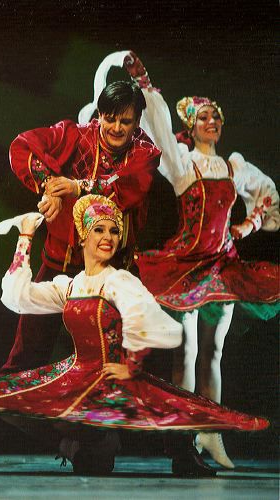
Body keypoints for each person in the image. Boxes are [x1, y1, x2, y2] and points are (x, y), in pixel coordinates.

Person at [0, 195, 269, 477]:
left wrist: (131, 366)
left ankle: (180, 455)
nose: (107, 237)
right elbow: (18, 296)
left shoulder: (121, 281)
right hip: (75, 378)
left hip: (112, 383)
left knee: (102, 459)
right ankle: (70, 446)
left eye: (113, 230)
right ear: (82, 236)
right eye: (99, 230)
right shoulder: (71, 284)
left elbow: (159, 326)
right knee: (8, 400)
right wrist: (25, 236)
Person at [0, 70, 162, 472]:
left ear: (137, 124)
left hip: (111, 278)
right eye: (110, 117)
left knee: (142, 362)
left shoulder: (145, 152)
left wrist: (76, 186)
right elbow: (22, 146)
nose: (117, 127)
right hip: (59, 266)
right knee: (24, 356)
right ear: (99, 115)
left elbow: (128, 185)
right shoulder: (73, 135)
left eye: (126, 120)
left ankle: (179, 452)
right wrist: (49, 185)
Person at [119, 53, 279, 469]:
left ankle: (211, 435)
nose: (212, 122)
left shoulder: (232, 165)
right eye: (204, 117)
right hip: (186, 266)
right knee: (186, 351)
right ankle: (183, 437)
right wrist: (146, 82)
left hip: (222, 267)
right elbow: (158, 129)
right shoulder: (183, 162)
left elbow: (266, 194)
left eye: (216, 117)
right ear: (191, 124)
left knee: (214, 352)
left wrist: (252, 223)